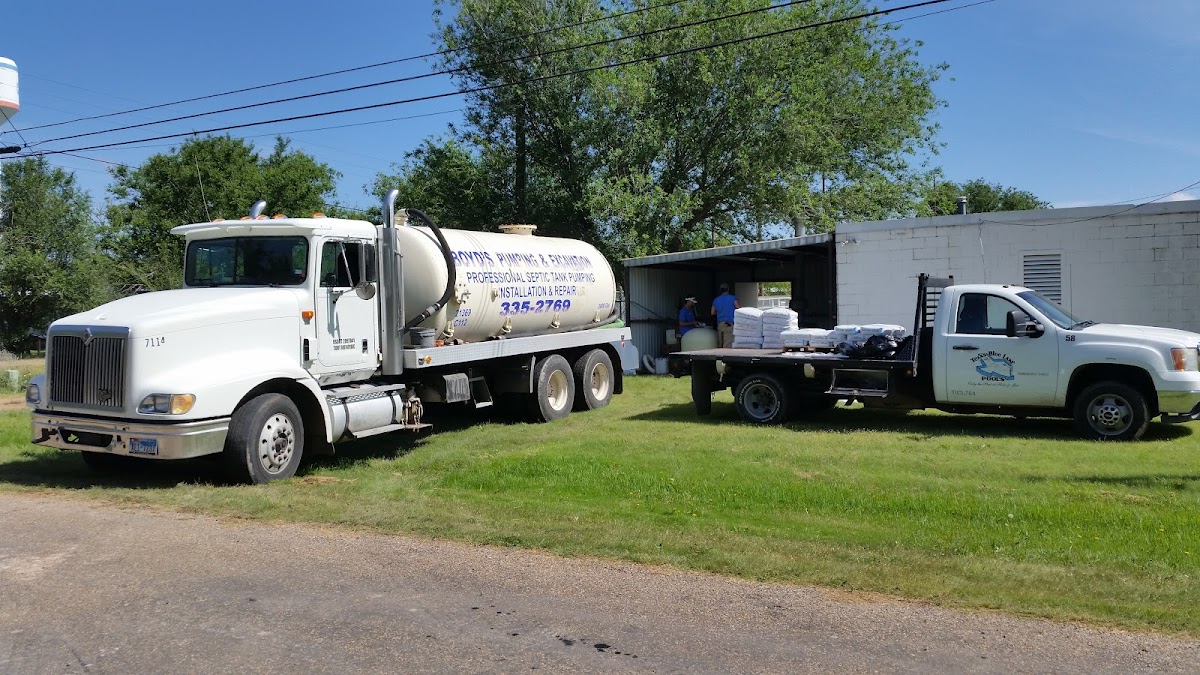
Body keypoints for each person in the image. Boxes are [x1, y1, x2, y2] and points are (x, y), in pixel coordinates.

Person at [711, 283, 740, 348]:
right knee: (727, 345)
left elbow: (712, 312)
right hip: (729, 324)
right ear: (728, 289)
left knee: (720, 344)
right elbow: (738, 309)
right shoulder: (733, 298)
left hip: (720, 324)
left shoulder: (716, 300)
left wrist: (720, 313)